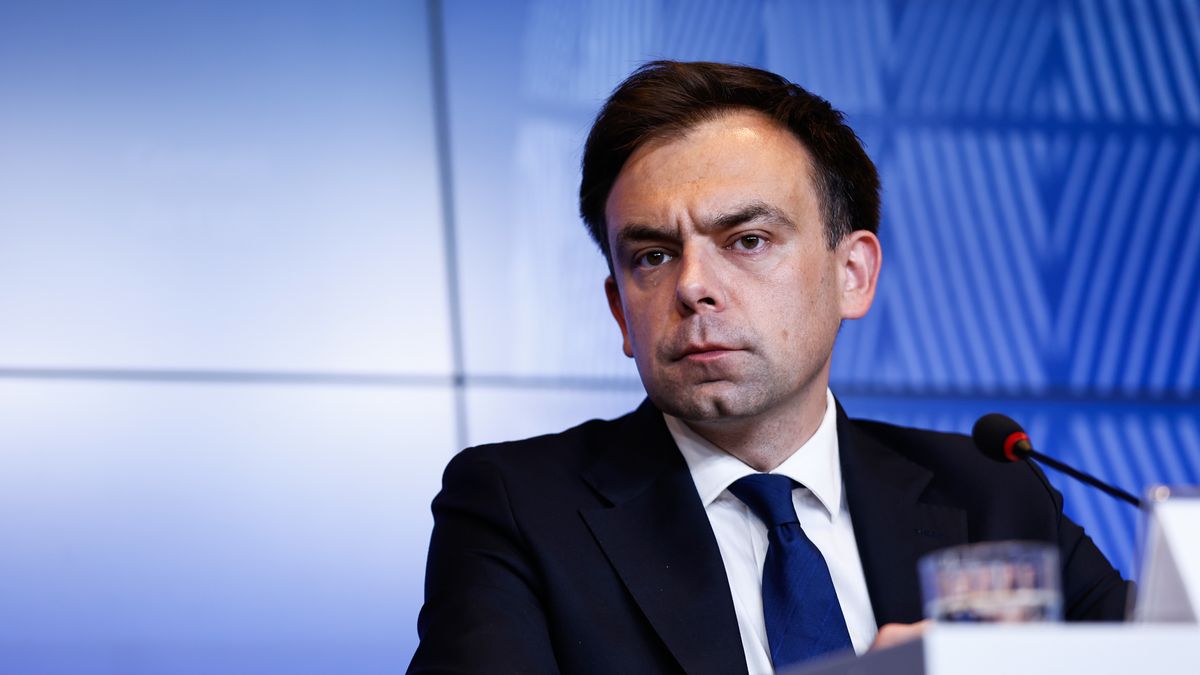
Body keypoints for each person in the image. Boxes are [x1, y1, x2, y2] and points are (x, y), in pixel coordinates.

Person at [409, 61, 1129, 675]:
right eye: (652, 255)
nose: (693, 285)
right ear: (619, 309)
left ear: (853, 272)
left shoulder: (992, 491)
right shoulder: (517, 509)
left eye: (747, 239)